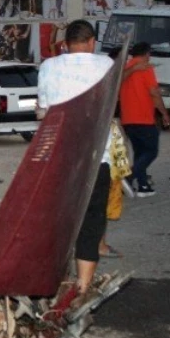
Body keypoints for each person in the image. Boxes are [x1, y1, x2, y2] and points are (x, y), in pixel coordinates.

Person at [36, 19, 116, 295]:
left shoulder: (48, 67)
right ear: (92, 42)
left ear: (66, 44)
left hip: (58, 160)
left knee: (57, 221)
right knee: (91, 222)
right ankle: (82, 286)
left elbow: (44, 113)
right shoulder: (106, 65)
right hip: (95, 158)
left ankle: (51, 281)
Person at [118, 42, 170, 197]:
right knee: (151, 151)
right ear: (147, 54)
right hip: (143, 118)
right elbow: (154, 93)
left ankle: (143, 186)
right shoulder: (146, 68)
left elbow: (117, 81)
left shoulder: (126, 68)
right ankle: (129, 177)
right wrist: (164, 113)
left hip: (127, 119)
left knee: (140, 152)